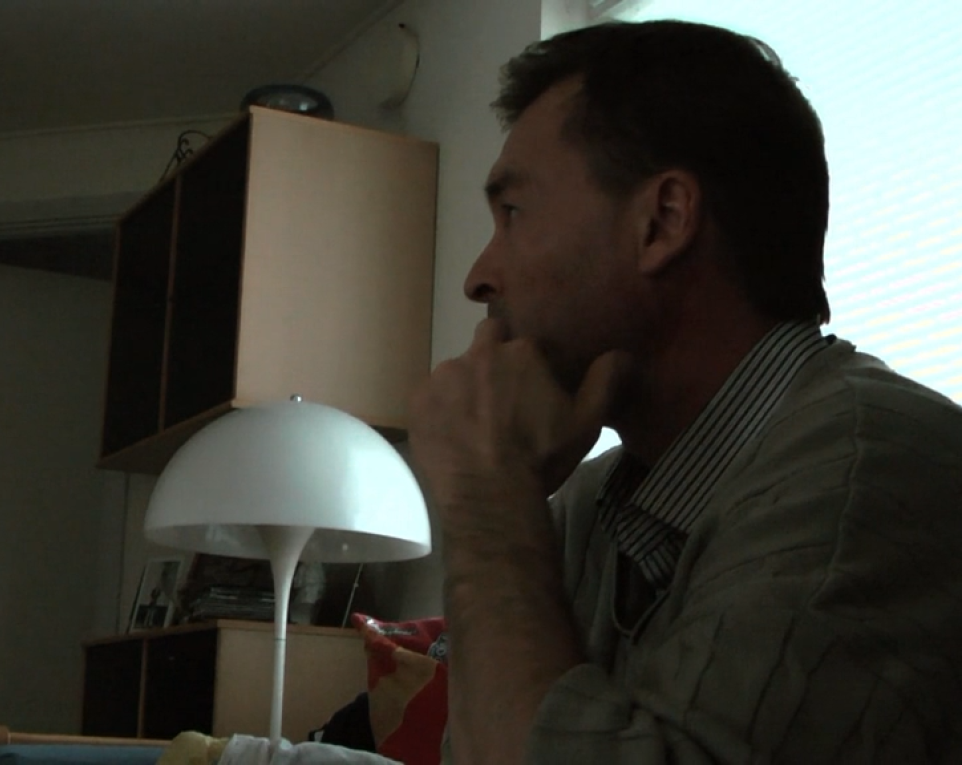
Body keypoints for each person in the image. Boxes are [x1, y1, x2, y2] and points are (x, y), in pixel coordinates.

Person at [408, 19, 962, 765]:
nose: (478, 277)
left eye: (513, 214)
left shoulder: (873, 473)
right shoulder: (589, 507)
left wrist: (488, 503)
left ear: (663, 221)